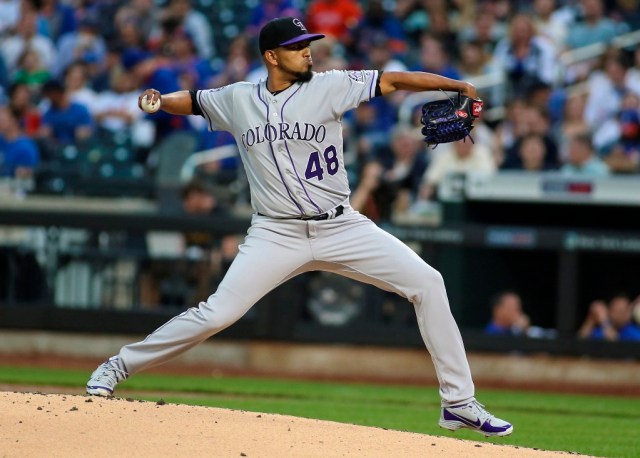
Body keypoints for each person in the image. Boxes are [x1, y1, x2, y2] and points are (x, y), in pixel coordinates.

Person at [86, 17, 513, 437]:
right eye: (296, 45)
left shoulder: (329, 85)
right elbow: (196, 101)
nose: (306, 50)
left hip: (341, 226)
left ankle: (458, 403)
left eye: (307, 42)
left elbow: (395, 80)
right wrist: (160, 100)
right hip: (276, 233)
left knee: (429, 282)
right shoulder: (238, 98)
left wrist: (455, 85)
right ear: (271, 56)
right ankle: (117, 366)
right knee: (217, 313)